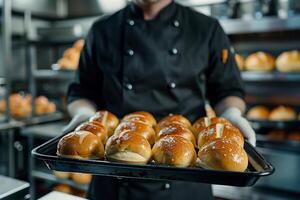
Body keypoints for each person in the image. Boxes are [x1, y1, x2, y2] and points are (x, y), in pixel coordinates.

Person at [64, 0, 256, 199]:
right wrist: (84, 115)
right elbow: (82, 91)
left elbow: (227, 90)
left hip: (187, 177)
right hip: (113, 176)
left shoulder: (206, 28)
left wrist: (231, 114)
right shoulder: (102, 29)